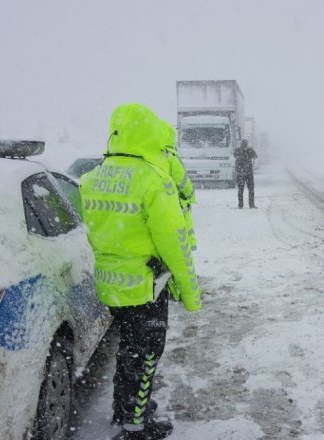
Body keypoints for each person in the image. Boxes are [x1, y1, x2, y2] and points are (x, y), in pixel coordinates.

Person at [79, 103, 202, 440]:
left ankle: (127, 407)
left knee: (129, 350)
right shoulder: (152, 181)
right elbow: (175, 245)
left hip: (111, 287)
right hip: (146, 287)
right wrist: (191, 293)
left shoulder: (93, 177)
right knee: (146, 355)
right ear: (150, 135)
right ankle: (137, 426)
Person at [159, 119, 197, 251]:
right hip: (175, 201)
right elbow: (183, 181)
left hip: (158, 202)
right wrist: (190, 196)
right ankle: (186, 251)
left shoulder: (150, 156)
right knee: (182, 232)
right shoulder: (170, 156)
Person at [233, 139, 258, 208]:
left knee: (240, 190)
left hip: (240, 173)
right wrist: (250, 149)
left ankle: (240, 205)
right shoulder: (249, 150)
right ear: (247, 144)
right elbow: (255, 156)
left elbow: (234, 155)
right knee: (251, 189)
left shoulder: (237, 150)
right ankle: (251, 205)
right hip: (248, 173)